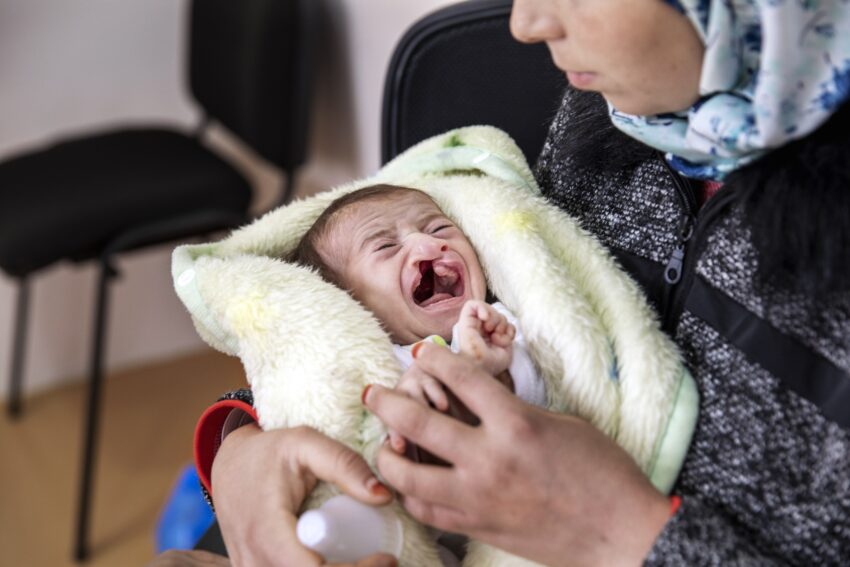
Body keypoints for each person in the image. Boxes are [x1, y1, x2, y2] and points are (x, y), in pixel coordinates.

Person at [158, 0, 850, 565]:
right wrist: (243, 449)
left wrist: (621, 533)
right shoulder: (617, 107)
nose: (526, 24)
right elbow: (352, 336)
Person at [289, 184, 547, 442]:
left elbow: (550, 380)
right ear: (348, 301)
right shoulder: (369, 364)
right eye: (386, 246)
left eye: (439, 228)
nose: (430, 244)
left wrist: (498, 371)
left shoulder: (499, 323)